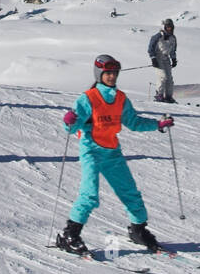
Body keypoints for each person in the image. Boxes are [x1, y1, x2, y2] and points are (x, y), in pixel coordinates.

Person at [55, 54, 173, 256]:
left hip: (112, 152)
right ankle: (70, 235)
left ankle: (138, 230)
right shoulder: (88, 98)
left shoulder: (120, 99)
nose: (111, 77)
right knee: (89, 194)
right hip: (91, 150)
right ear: (99, 74)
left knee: (130, 192)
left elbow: (133, 122)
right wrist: (69, 121)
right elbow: (71, 127)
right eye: (107, 73)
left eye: (114, 73)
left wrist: (158, 125)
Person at [147, 19, 178, 103]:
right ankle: (159, 95)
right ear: (164, 27)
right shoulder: (158, 36)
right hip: (158, 57)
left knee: (169, 79)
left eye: (171, 27)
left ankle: (168, 96)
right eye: (167, 27)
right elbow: (151, 48)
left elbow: (173, 50)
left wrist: (174, 59)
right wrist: (153, 58)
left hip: (166, 58)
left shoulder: (173, 38)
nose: (169, 29)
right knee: (162, 76)